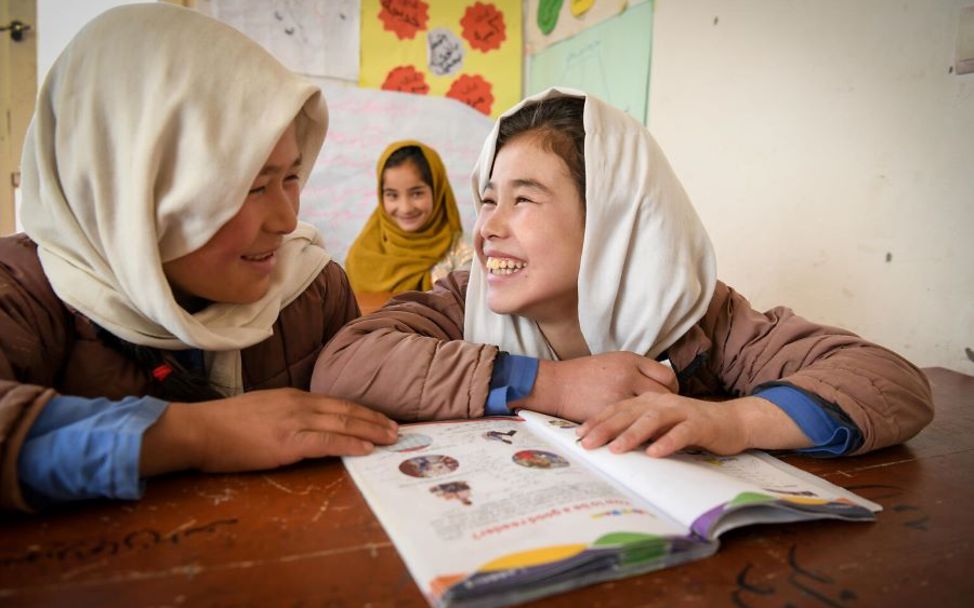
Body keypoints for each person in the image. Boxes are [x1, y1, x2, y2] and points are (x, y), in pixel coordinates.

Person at [311, 87, 933, 459]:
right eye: (488, 199)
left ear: (614, 220)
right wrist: (551, 384)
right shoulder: (466, 299)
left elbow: (892, 383)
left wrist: (735, 421)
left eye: (523, 199)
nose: (489, 227)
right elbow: (344, 364)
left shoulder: (697, 317)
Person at [0, 4, 397, 512]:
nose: (285, 219)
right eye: (251, 186)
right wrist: (195, 435)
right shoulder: (26, 288)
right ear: (132, 187)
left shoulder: (311, 289)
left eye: (291, 177)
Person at [344, 140, 473, 294]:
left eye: (417, 193)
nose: (405, 208)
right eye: (392, 195)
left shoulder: (464, 254)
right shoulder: (362, 254)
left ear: (437, 191)